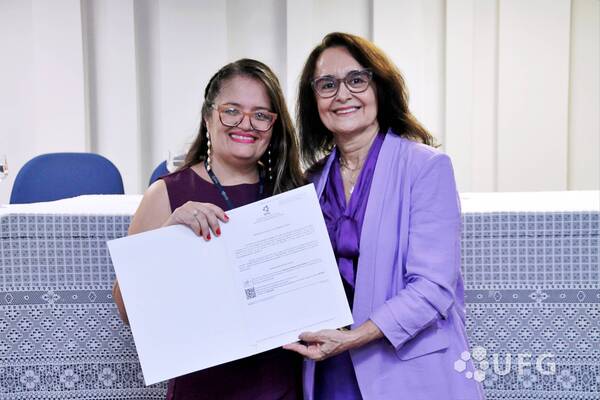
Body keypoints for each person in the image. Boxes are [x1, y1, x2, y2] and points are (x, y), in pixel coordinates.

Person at [283, 33, 485, 400]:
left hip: (406, 369)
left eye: (356, 79)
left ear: (380, 86)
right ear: (314, 100)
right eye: (327, 85)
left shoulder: (425, 167)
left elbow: (433, 288)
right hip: (329, 371)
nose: (342, 94)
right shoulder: (310, 182)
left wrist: (353, 338)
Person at [113, 59, 304, 400]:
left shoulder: (291, 194)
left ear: (274, 125)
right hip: (202, 386)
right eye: (232, 111)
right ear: (207, 117)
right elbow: (127, 312)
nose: (246, 124)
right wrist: (168, 237)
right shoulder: (167, 193)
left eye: (261, 115)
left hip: (280, 384)